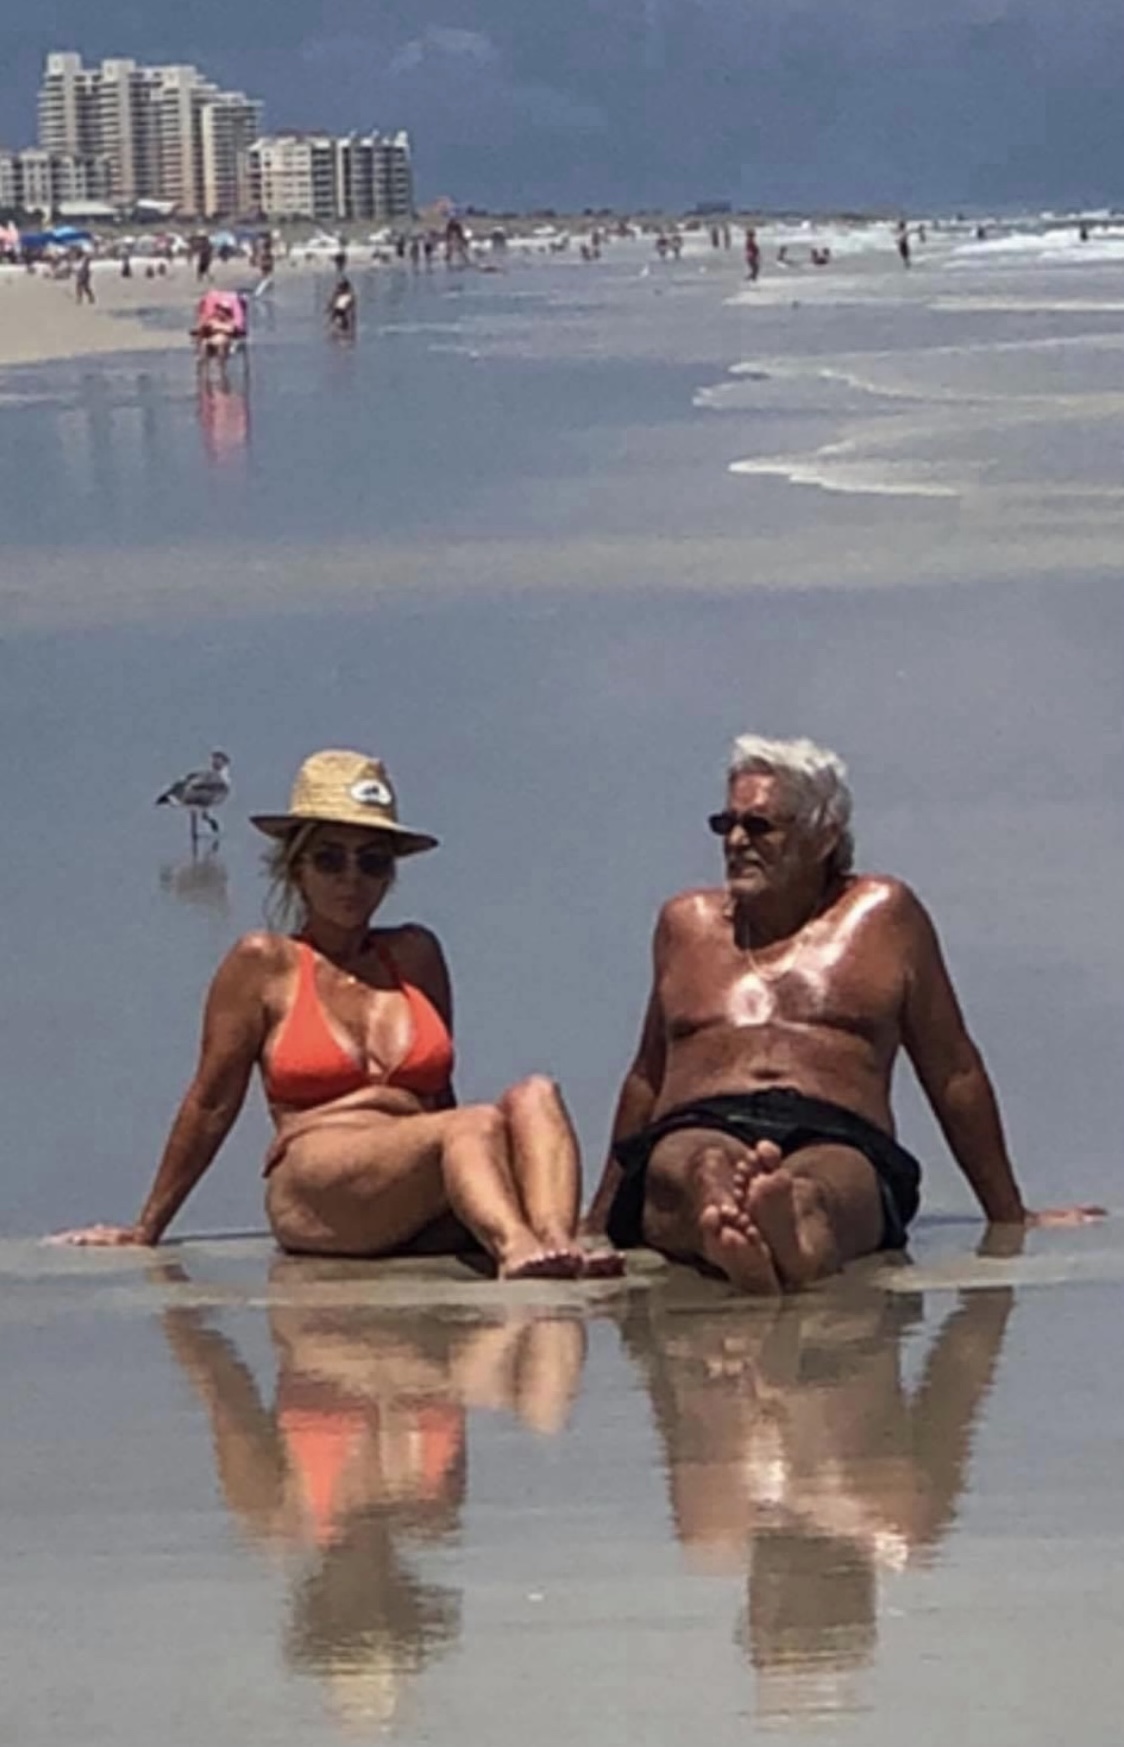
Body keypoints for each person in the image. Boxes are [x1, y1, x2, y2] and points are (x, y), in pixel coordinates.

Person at [54, 749, 620, 1279]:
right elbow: (211, 1101)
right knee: (472, 1122)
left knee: (536, 1094)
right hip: (318, 1178)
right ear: (296, 869)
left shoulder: (415, 953)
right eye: (330, 859)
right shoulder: (264, 963)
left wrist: (473, 1182)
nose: (351, 879)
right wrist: (147, 1227)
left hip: (408, 1169)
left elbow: (439, 1096)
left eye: (371, 862)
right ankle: (515, 1249)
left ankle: (554, 1242)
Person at [584, 735, 1102, 1294]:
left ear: (824, 837)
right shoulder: (685, 924)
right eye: (725, 824)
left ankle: (780, 1235)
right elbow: (647, 1076)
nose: (736, 840)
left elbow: (952, 1070)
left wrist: (1009, 1213)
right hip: (697, 1122)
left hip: (838, 1134)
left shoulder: (883, 916)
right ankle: (739, 1236)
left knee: (814, 1191)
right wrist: (594, 1224)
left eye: (759, 826)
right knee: (705, 1167)